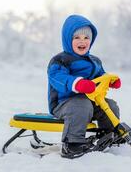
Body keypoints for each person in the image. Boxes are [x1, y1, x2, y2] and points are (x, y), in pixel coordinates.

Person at [47, 14, 121, 158]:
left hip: (90, 102)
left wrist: (110, 80)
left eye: (86, 38)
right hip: (64, 103)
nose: (82, 41)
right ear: (68, 39)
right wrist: (77, 83)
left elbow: (101, 76)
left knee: (110, 105)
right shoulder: (60, 60)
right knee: (80, 105)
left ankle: (108, 135)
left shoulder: (95, 61)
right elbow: (58, 78)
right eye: (77, 38)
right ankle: (72, 144)